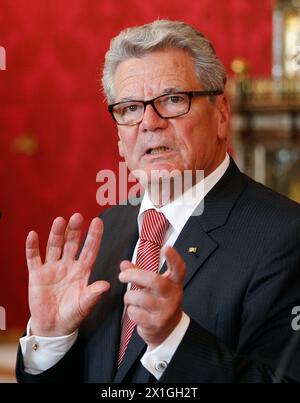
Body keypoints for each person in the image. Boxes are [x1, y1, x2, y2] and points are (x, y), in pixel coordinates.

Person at [16, 19, 300, 383]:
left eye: (173, 99)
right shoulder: (107, 229)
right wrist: (52, 337)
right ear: (119, 136)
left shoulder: (285, 236)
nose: (149, 122)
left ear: (222, 115)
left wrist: (174, 341)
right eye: (130, 108)